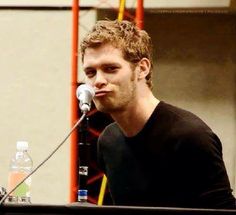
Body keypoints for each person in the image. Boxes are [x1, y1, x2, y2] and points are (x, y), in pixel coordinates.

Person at [80, 19, 236, 209]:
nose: (98, 81)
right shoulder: (108, 141)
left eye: (110, 69)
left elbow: (224, 211)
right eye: (90, 73)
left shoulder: (190, 135)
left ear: (142, 68)